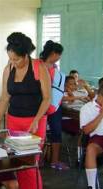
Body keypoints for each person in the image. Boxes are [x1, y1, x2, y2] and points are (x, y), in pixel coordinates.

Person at [0, 32, 51, 189]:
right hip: (14, 123)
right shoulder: (8, 68)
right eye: (10, 59)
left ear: (26, 55)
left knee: (30, 169)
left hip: (34, 125)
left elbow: (47, 99)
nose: (13, 62)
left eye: (16, 59)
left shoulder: (38, 68)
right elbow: (4, 97)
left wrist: (35, 120)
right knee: (19, 170)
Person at [39, 40, 68, 170]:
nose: (59, 57)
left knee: (56, 132)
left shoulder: (55, 68)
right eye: (59, 54)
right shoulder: (38, 65)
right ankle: (37, 160)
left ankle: (54, 161)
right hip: (40, 104)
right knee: (39, 133)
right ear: (54, 53)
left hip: (55, 105)